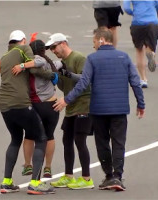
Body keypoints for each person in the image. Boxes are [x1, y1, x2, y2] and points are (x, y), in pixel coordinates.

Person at [54, 28, 145, 191]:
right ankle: (118, 176)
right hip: (119, 108)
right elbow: (135, 82)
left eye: (94, 42)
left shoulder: (93, 59)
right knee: (118, 143)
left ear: (102, 40)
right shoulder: (124, 57)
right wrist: (140, 103)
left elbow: (83, 83)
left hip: (99, 109)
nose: (94, 45)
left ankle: (108, 176)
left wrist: (67, 99)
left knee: (102, 142)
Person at [0, 30, 55, 195]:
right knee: (41, 137)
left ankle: (6, 181)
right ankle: (35, 183)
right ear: (23, 40)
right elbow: (36, 68)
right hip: (20, 102)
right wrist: (51, 75)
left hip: (3, 104)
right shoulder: (24, 49)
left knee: (15, 139)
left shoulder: (4, 57)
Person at [45, 33, 94, 190]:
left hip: (83, 103)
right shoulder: (61, 62)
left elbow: (85, 79)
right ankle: (68, 176)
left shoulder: (79, 58)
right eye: (50, 48)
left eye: (54, 47)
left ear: (63, 43)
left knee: (80, 140)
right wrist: (56, 77)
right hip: (70, 105)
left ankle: (86, 178)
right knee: (67, 140)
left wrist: (67, 73)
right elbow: (64, 87)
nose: (53, 50)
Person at [11, 40, 61, 178]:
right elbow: (60, 63)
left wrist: (22, 65)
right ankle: (48, 168)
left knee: (30, 135)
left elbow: (37, 62)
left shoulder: (35, 61)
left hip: (36, 104)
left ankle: (28, 165)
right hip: (52, 105)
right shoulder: (52, 63)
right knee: (49, 136)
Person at [124, 0, 158, 88]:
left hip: (137, 22)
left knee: (139, 50)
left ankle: (143, 79)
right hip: (152, 21)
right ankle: (151, 54)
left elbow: (126, 8)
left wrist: (133, 13)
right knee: (150, 46)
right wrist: (153, 10)